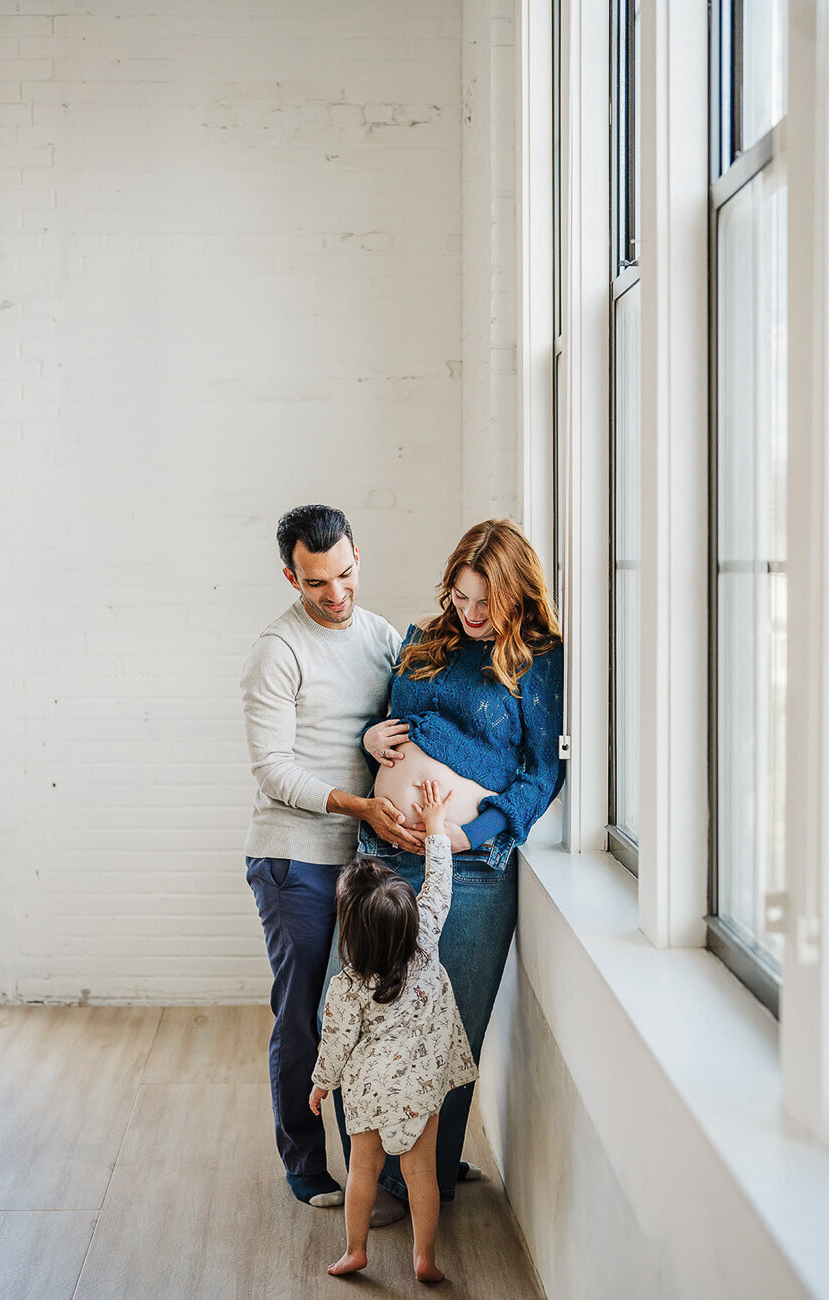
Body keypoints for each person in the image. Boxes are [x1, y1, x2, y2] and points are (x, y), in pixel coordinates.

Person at [328, 517, 564, 1221]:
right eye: (460, 597)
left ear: (517, 591)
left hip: (470, 871)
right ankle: (375, 1173)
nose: (470, 614)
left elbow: (540, 773)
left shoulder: (537, 659)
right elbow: (378, 719)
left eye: (485, 601)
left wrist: (466, 835)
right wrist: (370, 736)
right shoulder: (423, 639)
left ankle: (421, 1177)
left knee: (447, 1028)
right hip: (380, 855)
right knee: (350, 1014)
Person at [241, 503, 424, 1209]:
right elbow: (274, 769)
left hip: (365, 859)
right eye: (317, 582)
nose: (335, 593)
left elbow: (391, 720)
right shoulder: (277, 651)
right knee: (306, 1017)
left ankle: (383, 1164)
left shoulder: (378, 635)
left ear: (356, 557)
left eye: (344, 574)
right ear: (291, 575)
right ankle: (305, 1165)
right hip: (295, 860)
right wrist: (358, 803)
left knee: (372, 1015)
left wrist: (375, 739)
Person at [310, 780, 477, 1283]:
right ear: (407, 916)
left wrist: (321, 1084)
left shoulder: (348, 982)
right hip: (420, 1086)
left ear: (351, 931)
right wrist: (434, 825)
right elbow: (439, 881)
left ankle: (355, 1250)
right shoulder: (425, 935)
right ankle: (424, 1257)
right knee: (419, 1172)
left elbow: (335, 1042)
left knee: (364, 1170)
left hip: (368, 1090)